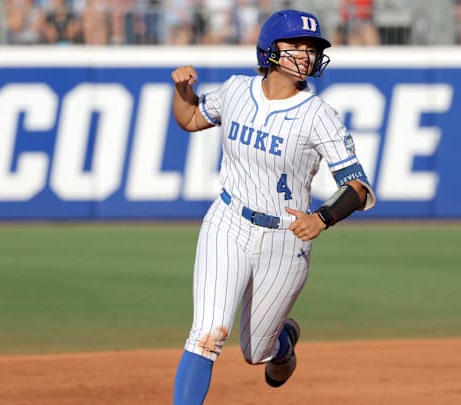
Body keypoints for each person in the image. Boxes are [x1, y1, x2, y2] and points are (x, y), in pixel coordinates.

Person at [170, 8, 376, 404]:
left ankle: (282, 343)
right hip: (228, 221)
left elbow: (358, 187)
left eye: (311, 47)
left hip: (285, 239)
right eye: (295, 45)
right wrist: (181, 92)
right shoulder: (235, 91)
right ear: (269, 50)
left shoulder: (319, 116)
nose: (305, 54)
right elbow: (191, 118)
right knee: (207, 334)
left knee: (257, 353)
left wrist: (323, 217)